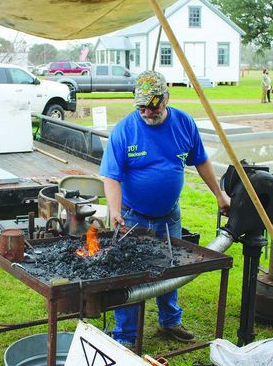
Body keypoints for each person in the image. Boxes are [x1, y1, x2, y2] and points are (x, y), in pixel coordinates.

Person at [99, 70, 230, 347]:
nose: (147, 112)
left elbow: (201, 160)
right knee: (129, 273)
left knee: (171, 268)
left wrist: (219, 195)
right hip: (133, 216)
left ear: (167, 97)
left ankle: (169, 321)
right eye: (142, 107)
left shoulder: (184, 123)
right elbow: (111, 175)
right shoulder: (125, 130)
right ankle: (125, 335)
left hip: (170, 215)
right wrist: (114, 210)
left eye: (153, 105)